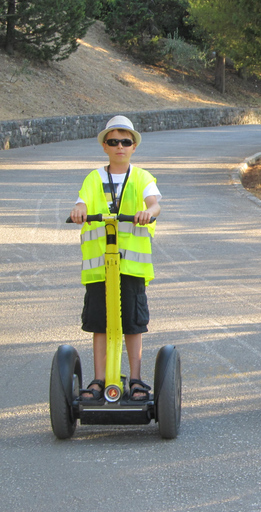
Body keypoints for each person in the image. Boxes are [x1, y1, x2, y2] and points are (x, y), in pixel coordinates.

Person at [69, 115, 162, 401]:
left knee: (133, 323)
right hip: (100, 268)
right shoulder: (94, 177)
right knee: (100, 323)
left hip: (132, 267)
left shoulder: (142, 177)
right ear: (105, 147)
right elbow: (81, 201)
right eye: (113, 142)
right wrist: (79, 211)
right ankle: (98, 380)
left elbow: (155, 203)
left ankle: (135, 379)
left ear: (133, 146)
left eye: (125, 141)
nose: (119, 146)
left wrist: (149, 212)